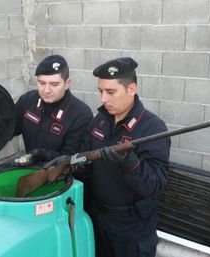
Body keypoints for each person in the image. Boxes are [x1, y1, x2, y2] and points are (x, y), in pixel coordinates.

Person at [46, 57, 171, 257]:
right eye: (101, 91)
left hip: (131, 229)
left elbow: (155, 185)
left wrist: (130, 163)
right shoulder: (100, 121)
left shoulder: (152, 128)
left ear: (131, 89)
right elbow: (86, 159)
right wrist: (68, 163)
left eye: (110, 92)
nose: (103, 99)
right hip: (97, 219)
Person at [12, 54, 93, 165]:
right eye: (41, 83)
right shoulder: (28, 100)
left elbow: (72, 160)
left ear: (67, 83)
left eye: (54, 84)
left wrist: (44, 154)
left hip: (61, 179)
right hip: (28, 171)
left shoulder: (81, 114)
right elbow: (8, 129)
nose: (46, 90)